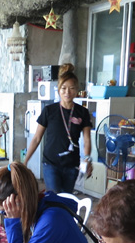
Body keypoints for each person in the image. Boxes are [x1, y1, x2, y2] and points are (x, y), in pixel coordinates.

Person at [23, 64, 92, 194]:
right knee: (54, 197)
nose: (67, 92)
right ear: (59, 89)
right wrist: (25, 160)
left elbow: (87, 139)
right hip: (51, 164)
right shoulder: (49, 111)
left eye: (71, 88)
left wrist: (87, 158)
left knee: (66, 199)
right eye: (64, 88)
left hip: (72, 165)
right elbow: (37, 138)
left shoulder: (82, 112)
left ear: (77, 90)